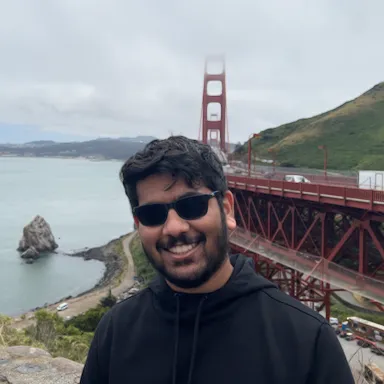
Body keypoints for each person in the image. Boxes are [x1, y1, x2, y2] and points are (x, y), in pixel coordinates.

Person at [80, 136, 354, 384]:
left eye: (192, 205)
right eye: (153, 214)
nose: (174, 228)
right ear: (138, 225)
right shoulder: (116, 330)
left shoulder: (308, 340)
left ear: (227, 209)